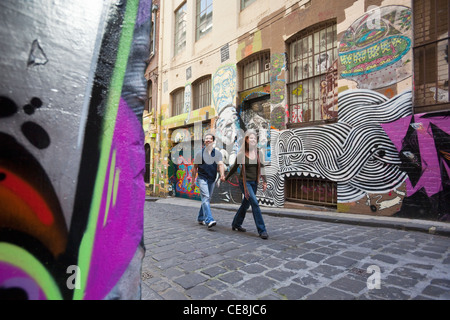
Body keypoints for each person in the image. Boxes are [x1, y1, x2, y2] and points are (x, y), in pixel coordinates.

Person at [225, 131, 269, 239]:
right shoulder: (241, 154)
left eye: (255, 138)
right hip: (245, 182)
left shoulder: (259, 152)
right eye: (251, 138)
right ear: (247, 140)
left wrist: (264, 181)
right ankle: (262, 230)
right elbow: (234, 167)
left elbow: (262, 167)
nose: (253, 140)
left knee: (246, 204)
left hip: (254, 182)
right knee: (254, 203)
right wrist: (226, 178)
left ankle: (236, 223)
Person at [191, 133, 225, 228]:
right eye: (206, 138)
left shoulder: (217, 153)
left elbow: (221, 164)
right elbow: (194, 168)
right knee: (206, 197)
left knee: (207, 199)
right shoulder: (199, 153)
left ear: (213, 141)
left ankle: (200, 217)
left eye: (210, 138)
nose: (208, 140)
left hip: (212, 179)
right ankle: (209, 220)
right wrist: (193, 181)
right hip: (202, 178)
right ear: (204, 141)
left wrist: (222, 174)